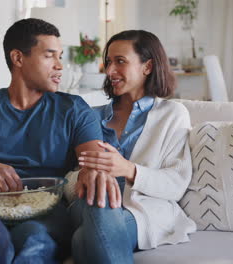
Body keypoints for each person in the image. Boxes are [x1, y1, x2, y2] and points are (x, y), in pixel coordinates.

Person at [0, 18, 121, 264]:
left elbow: (93, 165)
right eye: (50, 56)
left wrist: (92, 172)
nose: (60, 66)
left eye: (60, 56)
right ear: (18, 58)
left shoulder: (74, 110)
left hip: (45, 212)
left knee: (34, 239)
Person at [66, 30, 196, 264]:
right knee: (98, 197)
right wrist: (85, 176)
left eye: (120, 62)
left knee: (81, 240)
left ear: (147, 67)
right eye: (108, 62)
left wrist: (129, 170)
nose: (109, 71)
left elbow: (176, 184)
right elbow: (69, 177)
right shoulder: (91, 117)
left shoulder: (172, 115)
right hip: (86, 207)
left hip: (140, 214)